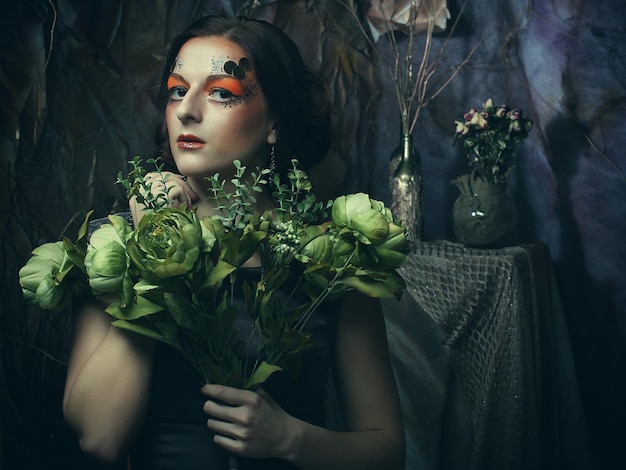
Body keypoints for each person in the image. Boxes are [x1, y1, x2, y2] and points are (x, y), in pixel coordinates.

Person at [62, 15, 405, 469]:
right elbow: (100, 438)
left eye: (222, 92)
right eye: (177, 90)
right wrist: (153, 252)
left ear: (275, 122)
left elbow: (387, 451)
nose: (187, 110)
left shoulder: (334, 257)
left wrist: (293, 440)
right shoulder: (115, 243)